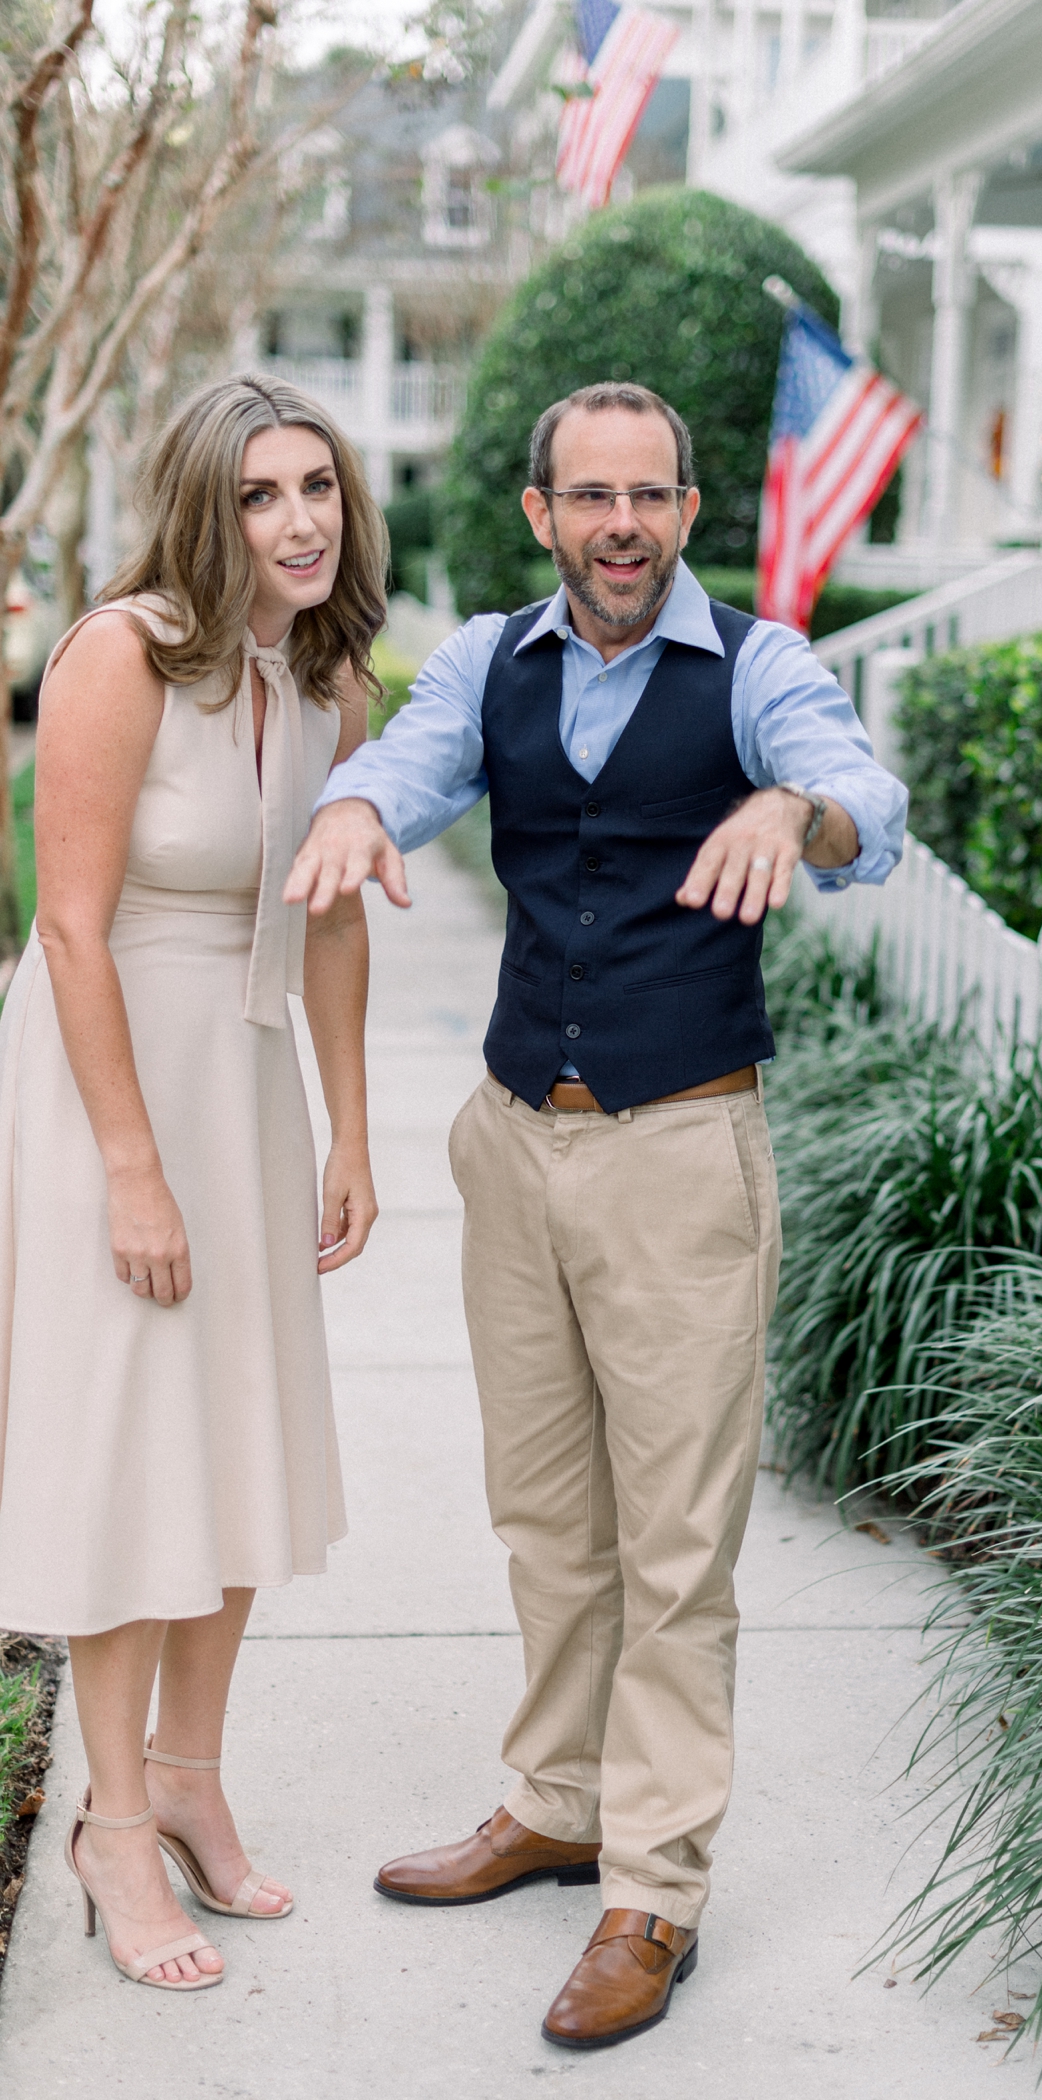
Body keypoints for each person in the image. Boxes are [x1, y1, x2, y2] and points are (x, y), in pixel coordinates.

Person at [286, 379, 907, 2049]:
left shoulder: (758, 668)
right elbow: (406, 768)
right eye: (591, 497)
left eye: (650, 496)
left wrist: (791, 810)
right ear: (541, 513)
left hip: (682, 1153)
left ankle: (656, 1888)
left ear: (687, 512)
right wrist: (352, 807)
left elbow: (866, 798)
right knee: (547, 1514)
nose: (621, 525)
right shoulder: (488, 659)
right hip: (513, 1146)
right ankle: (559, 1803)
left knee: (677, 1547)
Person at [0, 376, 383, 1991]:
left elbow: (331, 912)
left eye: (318, 487)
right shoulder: (121, 654)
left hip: (245, 1082)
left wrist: (349, 1128)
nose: (299, 520)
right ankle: (109, 1829)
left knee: (235, 1438)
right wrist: (131, 1172)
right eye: (259, 494)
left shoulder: (329, 682)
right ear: (204, 510)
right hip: (114, 1086)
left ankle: (190, 1782)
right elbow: (69, 926)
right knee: (132, 1454)